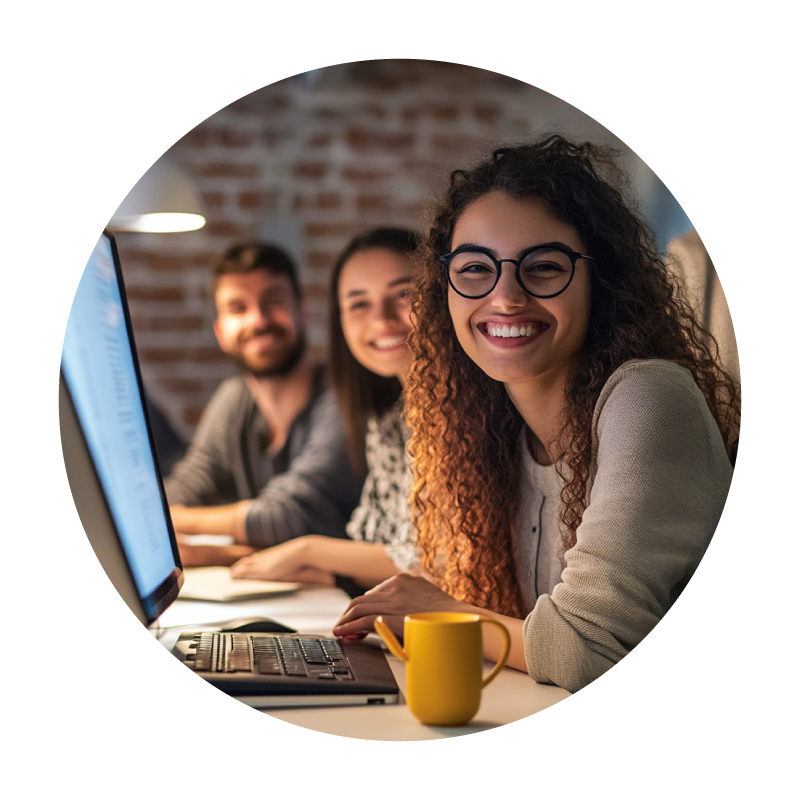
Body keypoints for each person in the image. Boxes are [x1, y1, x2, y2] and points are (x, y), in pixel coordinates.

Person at [333, 137, 740, 692]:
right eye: (475, 268)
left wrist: (442, 612)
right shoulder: (486, 423)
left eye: (543, 267)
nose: (505, 297)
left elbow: (588, 649)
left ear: (602, 279)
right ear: (444, 289)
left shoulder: (649, 397)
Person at [230, 228, 420, 589]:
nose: (381, 319)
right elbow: (380, 548)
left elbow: (428, 561)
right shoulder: (388, 418)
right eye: (359, 303)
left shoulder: (464, 420)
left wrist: (307, 552)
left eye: (404, 294)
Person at [165, 243, 363, 567]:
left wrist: (177, 524)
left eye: (273, 301)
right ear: (221, 332)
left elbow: (290, 516)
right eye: (238, 308)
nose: (258, 320)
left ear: (302, 310)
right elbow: (190, 482)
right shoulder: (233, 399)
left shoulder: (344, 395)